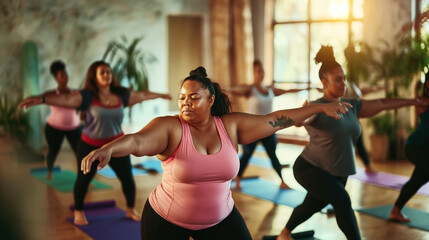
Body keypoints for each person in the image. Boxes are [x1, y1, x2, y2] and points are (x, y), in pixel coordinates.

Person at [80, 66, 352, 240]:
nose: (186, 103)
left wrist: (318, 108)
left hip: (220, 219)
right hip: (165, 220)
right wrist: (109, 149)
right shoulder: (171, 128)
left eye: (194, 97)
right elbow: (137, 142)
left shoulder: (231, 126)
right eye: (182, 98)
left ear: (210, 100)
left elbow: (276, 119)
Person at [275, 45, 426, 240]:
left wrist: (413, 101)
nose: (343, 84)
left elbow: (382, 104)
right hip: (311, 169)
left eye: (344, 79)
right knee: (342, 200)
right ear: (324, 81)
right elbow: (300, 121)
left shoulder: (351, 105)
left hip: (338, 173)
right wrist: (308, 111)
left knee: (312, 204)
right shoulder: (316, 107)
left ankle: (284, 233)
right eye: (338, 79)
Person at [19, 60, 172, 225]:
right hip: (90, 145)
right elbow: (64, 99)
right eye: (102, 72)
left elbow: (142, 95)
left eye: (108, 71)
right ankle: (79, 211)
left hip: (116, 146)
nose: (106, 74)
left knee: (127, 178)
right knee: (83, 180)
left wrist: (161, 95)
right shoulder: (86, 96)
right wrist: (41, 99)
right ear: (94, 77)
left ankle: (130, 209)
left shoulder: (121, 95)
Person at [229, 59, 309, 190]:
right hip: (252, 129)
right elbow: (233, 90)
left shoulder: (270, 89)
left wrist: (306, 87)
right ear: (254, 73)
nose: (261, 73)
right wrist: (217, 88)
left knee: (273, 154)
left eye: (262, 71)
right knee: (247, 155)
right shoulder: (250, 89)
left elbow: (288, 91)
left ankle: (282, 181)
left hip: (268, 128)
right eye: (258, 71)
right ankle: (237, 180)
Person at [389, 72, 429, 222]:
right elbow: (417, 101)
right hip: (415, 147)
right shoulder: (422, 101)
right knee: (418, 179)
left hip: (426, 150)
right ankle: (396, 210)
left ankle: (395, 211)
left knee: (417, 180)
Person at [43, 60, 82, 180]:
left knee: (80, 153)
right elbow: (41, 99)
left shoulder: (76, 93)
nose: (65, 77)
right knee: (53, 151)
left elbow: (80, 106)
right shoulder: (52, 94)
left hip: (74, 128)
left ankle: (83, 178)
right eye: (61, 75)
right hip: (54, 128)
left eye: (65, 74)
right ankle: (49, 172)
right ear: (56, 79)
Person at [344, 81, 383, 173]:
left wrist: (380, 88)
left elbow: (365, 91)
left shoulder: (354, 87)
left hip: (354, 119)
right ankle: (367, 165)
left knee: (360, 144)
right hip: (346, 120)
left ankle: (367, 165)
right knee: (354, 144)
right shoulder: (346, 87)